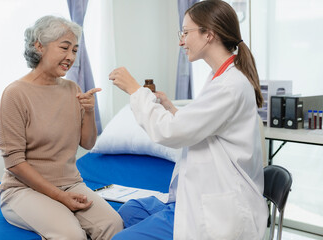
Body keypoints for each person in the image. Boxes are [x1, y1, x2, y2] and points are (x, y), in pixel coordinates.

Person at [108, 0, 268, 239]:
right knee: (131, 210)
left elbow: (170, 133)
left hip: (219, 209)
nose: (181, 41)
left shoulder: (228, 86)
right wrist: (171, 108)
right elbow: (202, 126)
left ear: (209, 34)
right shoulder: (220, 77)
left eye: (185, 32)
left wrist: (134, 90)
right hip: (193, 197)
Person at [0, 15, 123, 240]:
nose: (70, 57)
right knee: (72, 235)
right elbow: (14, 162)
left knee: (113, 225)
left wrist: (90, 111)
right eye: (64, 48)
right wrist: (60, 198)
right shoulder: (15, 94)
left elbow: (88, 143)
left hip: (71, 183)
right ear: (39, 46)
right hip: (23, 190)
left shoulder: (72, 88)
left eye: (74, 50)